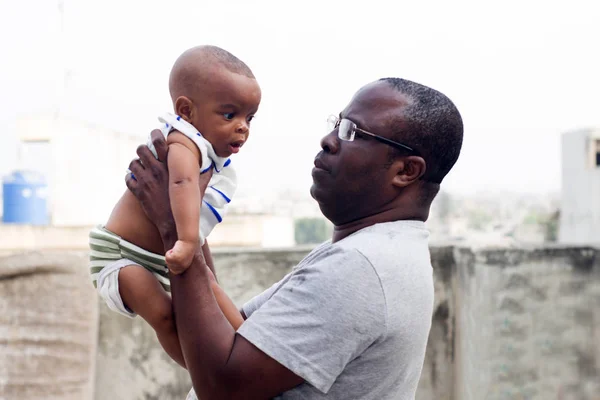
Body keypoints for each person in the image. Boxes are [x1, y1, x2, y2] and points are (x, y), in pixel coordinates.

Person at [126, 77, 464, 399]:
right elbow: (236, 335)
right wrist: (189, 218)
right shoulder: (375, 251)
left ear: (406, 171)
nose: (329, 140)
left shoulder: (360, 268)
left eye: (352, 132)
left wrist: (172, 228)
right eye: (337, 123)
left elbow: (223, 388)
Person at [89, 45, 261, 367]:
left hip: (165, 253)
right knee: (165, 317)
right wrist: (185, 242)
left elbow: (197, 225)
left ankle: (252, 347)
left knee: (211, 288)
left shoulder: (213, 159)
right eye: (229, 115)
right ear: (187, 111)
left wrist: (194, 251)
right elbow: (181, 186)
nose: (243, 127)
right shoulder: (184, 143)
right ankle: (204, 374)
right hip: (120, 255)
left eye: (249, 118)